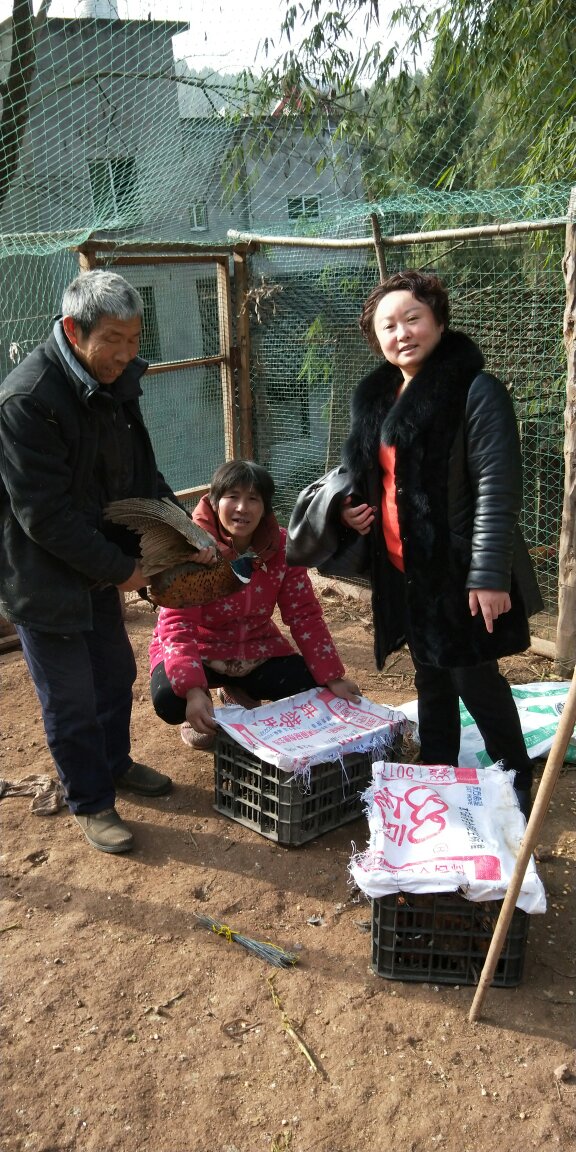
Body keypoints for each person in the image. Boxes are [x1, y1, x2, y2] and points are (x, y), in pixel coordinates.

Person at [288, 270, 543, 817]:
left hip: (460, 567)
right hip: (405, 567)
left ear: (439, 321)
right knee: (429, 673)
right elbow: (380, 478)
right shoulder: (382, 397)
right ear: (376, 339)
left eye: (413, 318)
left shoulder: (476, 390)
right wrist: (356, 514)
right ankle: (437, 764)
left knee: (474, 677)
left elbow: (499, 487)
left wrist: (489, 574)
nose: (402, 332)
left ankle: (513, 774)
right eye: (388, 325)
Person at [0, 270, 213, 854]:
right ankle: (92, 801)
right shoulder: (27, 400)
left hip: (97, 566)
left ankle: (115, 763)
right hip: (44, 578)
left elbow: (140, 473)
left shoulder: (115, 382)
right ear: (74, 330)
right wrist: (126, 571)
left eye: (134, 338)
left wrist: (180, 525)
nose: (125, 353)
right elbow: (42, 517)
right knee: (69, 698)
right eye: (113, 339)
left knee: (114, 676)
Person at [149, 459, 360, 748]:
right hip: (199, 648)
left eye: (253, 499)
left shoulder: (283, 548)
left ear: (265, 507)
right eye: (232, 497)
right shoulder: (192, 549)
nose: (242, 508)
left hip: (255, 647)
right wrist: (193, 690)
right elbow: (177, 624)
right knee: (170, 700)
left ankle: (237, 689)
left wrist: (333, 677)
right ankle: (198, 707)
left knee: (313, 685)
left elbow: (304, 615)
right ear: (214, 501)